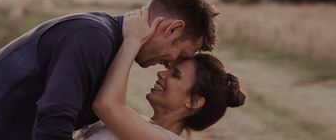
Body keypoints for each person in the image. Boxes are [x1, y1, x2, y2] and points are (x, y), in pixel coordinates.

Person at [0, 0, 219, 140]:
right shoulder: (92, 38)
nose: (168, 65)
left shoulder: (110, 51)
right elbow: (53, 123)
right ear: (172, 28)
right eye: (180, 55)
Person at [74, 8, 245, 140]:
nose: (162, 73)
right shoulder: (135, 121)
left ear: (193, 102)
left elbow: (106, 105)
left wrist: (133, 40)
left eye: (175, 74)